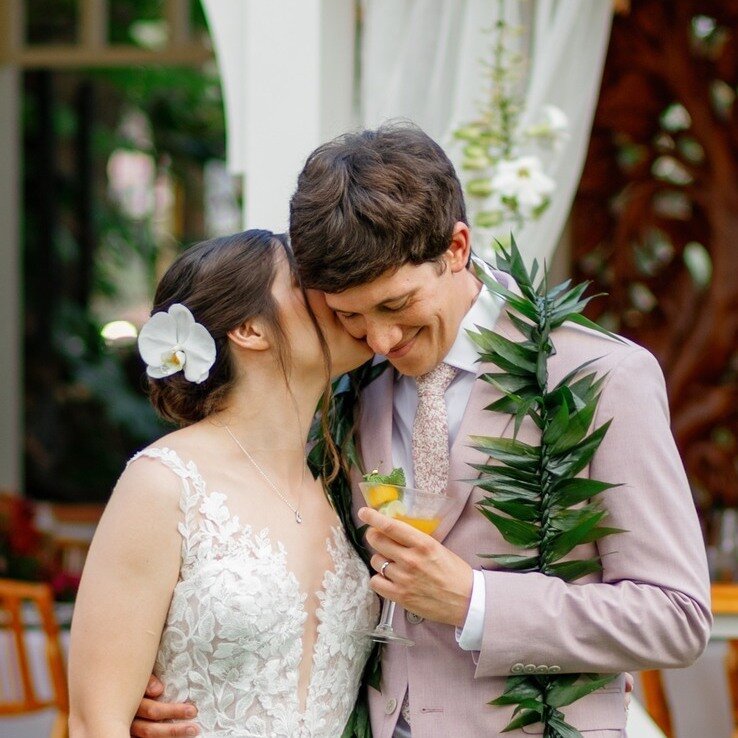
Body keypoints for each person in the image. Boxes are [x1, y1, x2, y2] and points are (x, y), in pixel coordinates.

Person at [132, 124, 711, 738]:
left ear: (456, 247)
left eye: (395, 305)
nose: (380, 340)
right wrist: (184, 682)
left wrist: (475, 602)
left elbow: (675, 618)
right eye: (349, 314)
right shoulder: (340, 382)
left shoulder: (602, 376)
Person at [68, 229, 379, 738]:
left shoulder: (342, 480)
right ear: (250, 328)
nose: (336, 293)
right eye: (306, 282)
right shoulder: (164, 484)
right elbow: (93, 722)